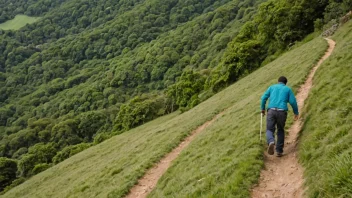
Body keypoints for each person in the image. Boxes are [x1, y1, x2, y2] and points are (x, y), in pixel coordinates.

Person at [260, 76, 299, 157]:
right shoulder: (287, 89)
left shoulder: (272, 87)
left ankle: (271, 141)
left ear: (278, 81)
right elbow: (293, 102)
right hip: (282, 112)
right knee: (280, 130)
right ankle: (279, 151)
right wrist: (296, 113)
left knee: (269, 130)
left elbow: (263, 98)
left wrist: (263, 109)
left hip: (271, 111)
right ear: (285, 83)